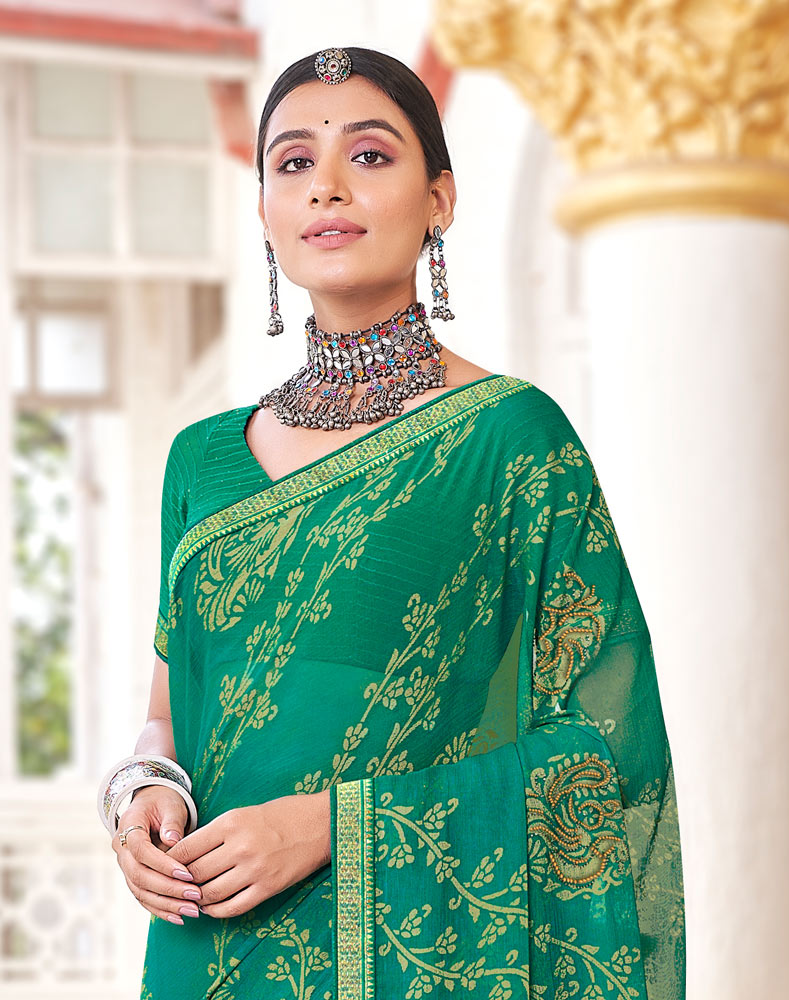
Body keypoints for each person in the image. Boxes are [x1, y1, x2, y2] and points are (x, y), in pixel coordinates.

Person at [99, 46, 685, 999]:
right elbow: (168, 716)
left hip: (413, 956)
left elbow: (603, 748)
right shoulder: (199, 461)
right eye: (294, 162)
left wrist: (331, 825)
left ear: (439, 200)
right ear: (264, 210)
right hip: (206, 946)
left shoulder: (510, 439)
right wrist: (140, 797)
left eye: (369, 155)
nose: (326, 185)